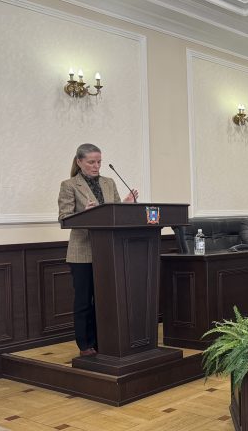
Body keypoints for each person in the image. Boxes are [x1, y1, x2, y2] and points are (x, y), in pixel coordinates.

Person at [58, 144, 138, 357]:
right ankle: (85, 344)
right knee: (84, 301)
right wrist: (85, 214)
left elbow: (115, 214)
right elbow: (64, 219)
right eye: (91, 162)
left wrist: (126, 205)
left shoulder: (108, 182)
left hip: (109, 252)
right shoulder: (69, 185)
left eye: (99, 162)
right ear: (79, 162)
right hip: (82, 252)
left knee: (106, 299)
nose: (96, 166)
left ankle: (105, 341)